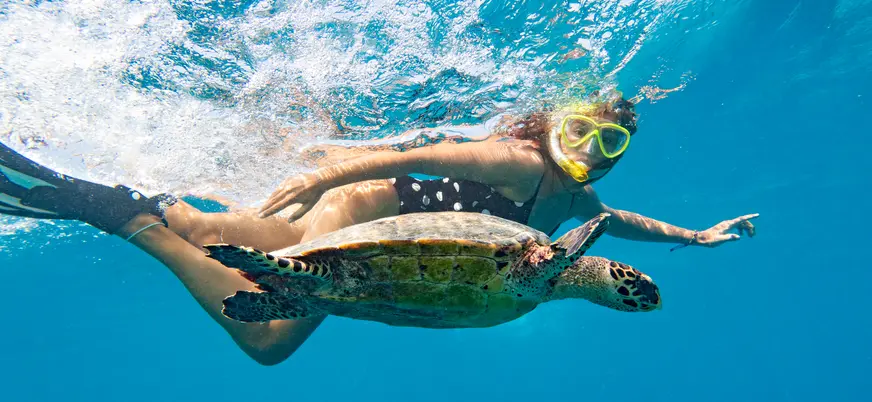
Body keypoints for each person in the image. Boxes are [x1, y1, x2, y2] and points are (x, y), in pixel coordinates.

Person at [0, 96, 757, 365]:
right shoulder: (521, 161)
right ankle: (127, 218)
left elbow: (613, 220)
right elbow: (418, 153)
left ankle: (129, 195)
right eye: (583, 127)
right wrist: (322, 176)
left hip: (382, 219)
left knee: (209, 222)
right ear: (556, 123)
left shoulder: (569, 207)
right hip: (366, 211)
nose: (591, 147)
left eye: (612, 143)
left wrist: (694, 237)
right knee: (268, 338)